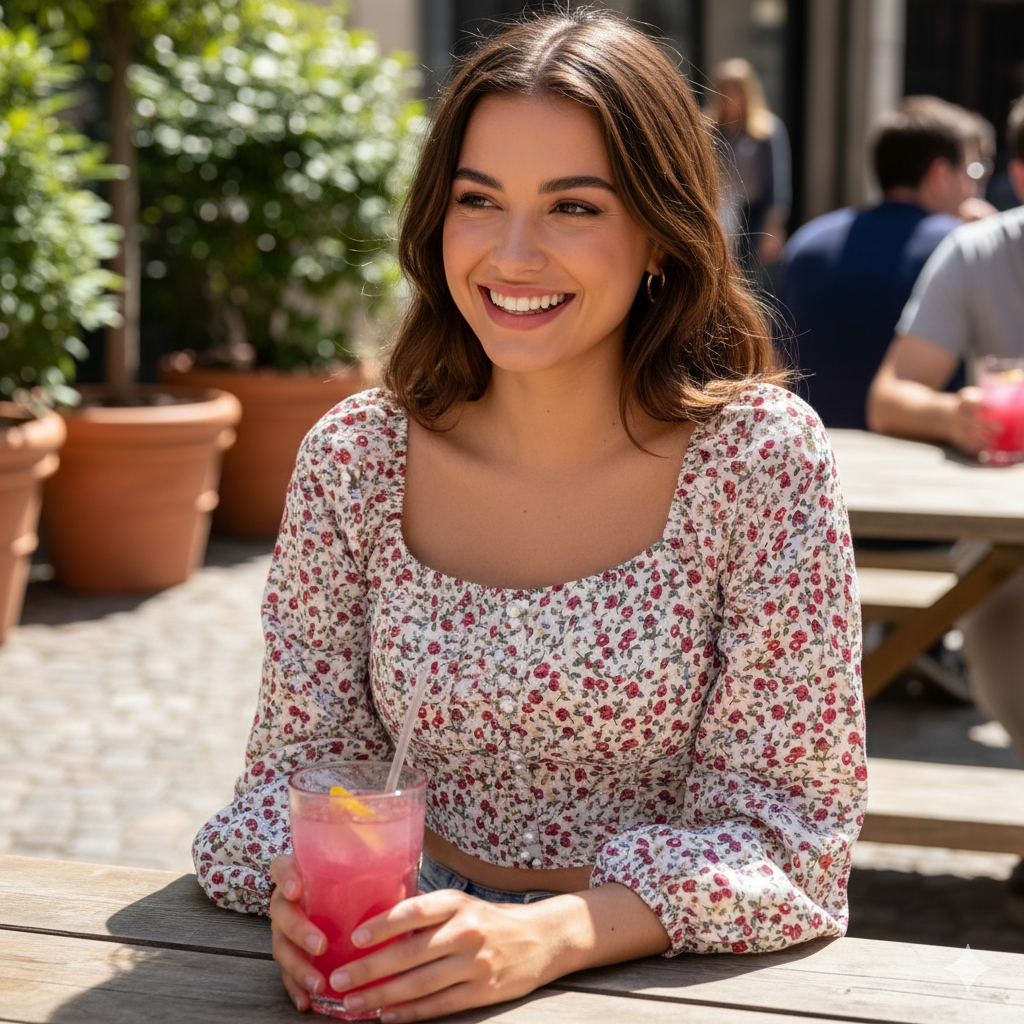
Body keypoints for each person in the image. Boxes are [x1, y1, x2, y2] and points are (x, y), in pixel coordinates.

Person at [193, 12, 867, 1021]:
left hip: (656, 975)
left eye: (572, 207)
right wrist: (307, 887)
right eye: (479, 200)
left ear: (658, 233)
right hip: (388, 954)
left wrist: (546, 937)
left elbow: (791, 829)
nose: (513, 255)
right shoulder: (355, 456)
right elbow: (308, 761)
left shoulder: (762, 463)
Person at [866, 93, 1024, 916]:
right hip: (1006, 528)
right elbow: (893, 395)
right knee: (1001, 606)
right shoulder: (979, 252)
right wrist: (956, 413)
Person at [779, 97, 981, 430]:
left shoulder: (806, 244)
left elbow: (773, 365)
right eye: (973, 170)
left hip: (806, 458)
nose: (974, 186)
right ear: (940, 174)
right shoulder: (963, 248)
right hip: (919, 463)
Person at [708, 58, 792, 274]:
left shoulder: (767, 131)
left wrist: (772, 228)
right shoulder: (709, 129)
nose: (730, 97)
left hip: (753, 213)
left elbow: (778, 182)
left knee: (749, 279)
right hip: (718, 213)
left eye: (735, 90)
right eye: (724, 90)